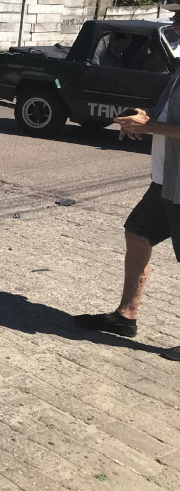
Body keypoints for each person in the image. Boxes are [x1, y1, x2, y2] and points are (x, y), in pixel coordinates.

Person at [74, 56, 180, 359]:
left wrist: (150, 125)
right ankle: (126, 315)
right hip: (165, 180)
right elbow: (163, 115)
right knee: (137, 233)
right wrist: (141, 119)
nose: (173, 22)